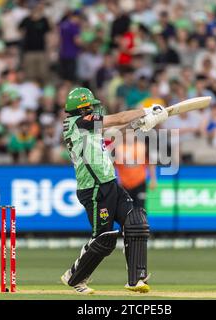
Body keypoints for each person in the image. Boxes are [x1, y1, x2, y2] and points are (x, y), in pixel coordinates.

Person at [60, 87, 167, 294]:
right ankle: (74, 277)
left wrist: (139, 124)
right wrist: (145, 111)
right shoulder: (79, 123)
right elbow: (117, 118)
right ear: (82, 109)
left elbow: (117, 132)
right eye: (89, 106)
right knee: (105, 238)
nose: (93, 109)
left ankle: (136, 279)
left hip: (109, 183)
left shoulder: (87, 126)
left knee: (136, 221)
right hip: (93, 188)